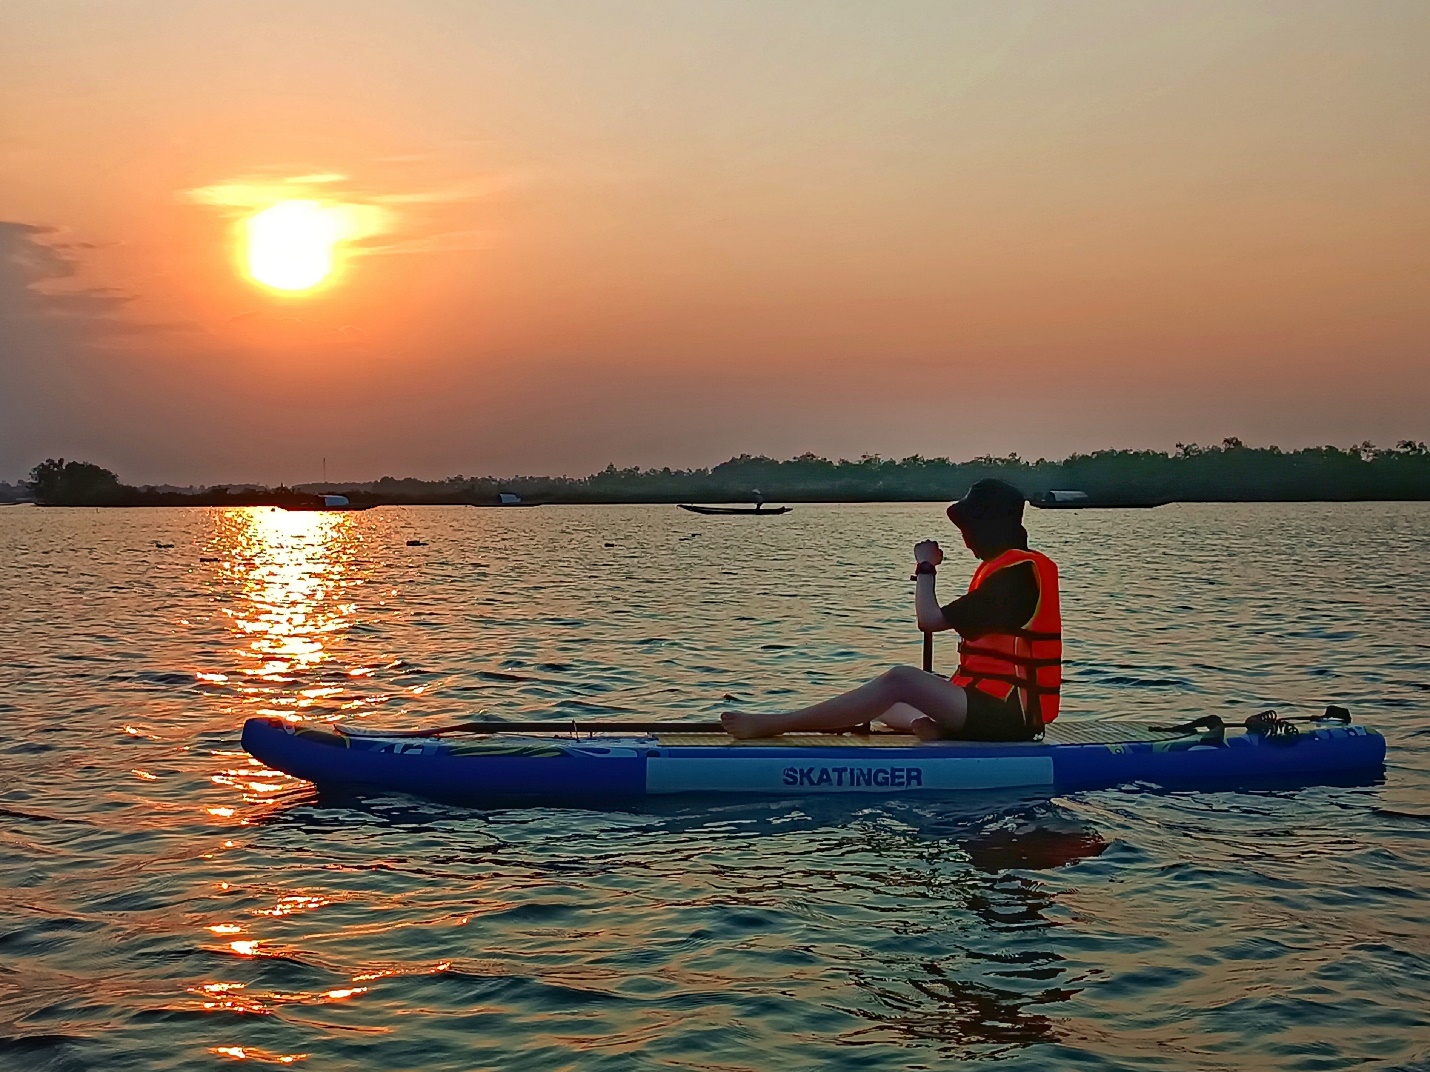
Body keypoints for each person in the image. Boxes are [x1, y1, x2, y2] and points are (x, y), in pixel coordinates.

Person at [721, 478, 1061, 741]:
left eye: (969, 528)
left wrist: (926, 568)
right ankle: (944, 729)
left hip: (1010, 716)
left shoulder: (1018, 575)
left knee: (900, 679)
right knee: (888, 705)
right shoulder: (1005, 567)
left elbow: (929, 620)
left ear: (991, 526)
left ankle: (777, 724)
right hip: (985, 705)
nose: (965, 538)